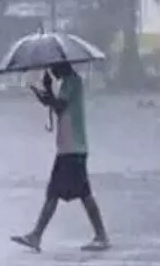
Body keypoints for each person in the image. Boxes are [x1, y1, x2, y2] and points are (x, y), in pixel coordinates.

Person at [11, 62, 110, 252]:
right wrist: (41, 92)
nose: (52, 71)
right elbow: (56, 105)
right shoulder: (69, 82)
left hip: (73, 147)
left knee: (74, 193)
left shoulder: (72, 82)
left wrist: (47, 89)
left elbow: (59, 106)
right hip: (68, 147)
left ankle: (100, 235)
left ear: (62, 65)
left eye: (53, 67)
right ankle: (36, 235)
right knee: (63, 192)